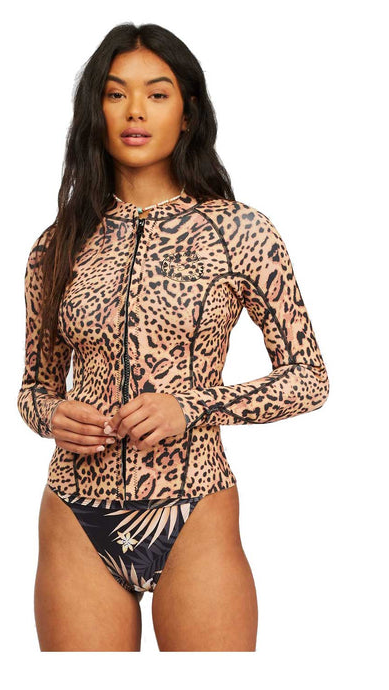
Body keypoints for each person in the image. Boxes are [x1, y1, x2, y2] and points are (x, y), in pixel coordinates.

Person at [17, 22, 329, 652]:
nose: (135, 111)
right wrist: (53, 415)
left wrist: (192, 406)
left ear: (187, 114)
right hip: (75, 514)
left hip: (196, 509)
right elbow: (33, 388)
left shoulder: (239, 233)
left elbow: (309, 379)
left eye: (157, 94)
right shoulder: (58, 245)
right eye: (116, 94)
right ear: (96, 112)